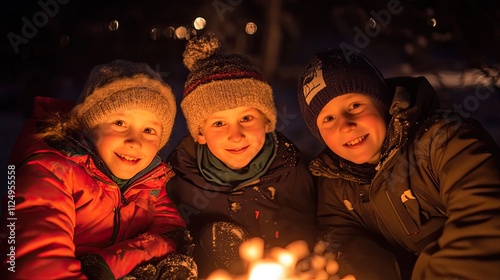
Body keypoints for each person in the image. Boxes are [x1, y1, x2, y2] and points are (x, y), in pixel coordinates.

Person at [296, 49, 500, 280]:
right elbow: (345, 245)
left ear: (382, 103)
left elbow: (485, 222)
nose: (345, 125)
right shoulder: (334, 186)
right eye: (328, 119)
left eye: (354, 106)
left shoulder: (444, 142)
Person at [1, 60, 197, 279]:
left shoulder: (148, 183)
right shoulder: (50, 172)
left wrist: (107, 265)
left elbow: (172, 234)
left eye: (149, 130)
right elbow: (38, 267)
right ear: (89, 128)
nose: (135, 141)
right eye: (120, 123)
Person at [166, 33, 318, 277]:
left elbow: (308, 232)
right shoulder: (179, 178)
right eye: (219, 124)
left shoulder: (291, 169)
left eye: (246, 118)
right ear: (200, 134)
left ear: (267, 121)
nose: (235, 135)